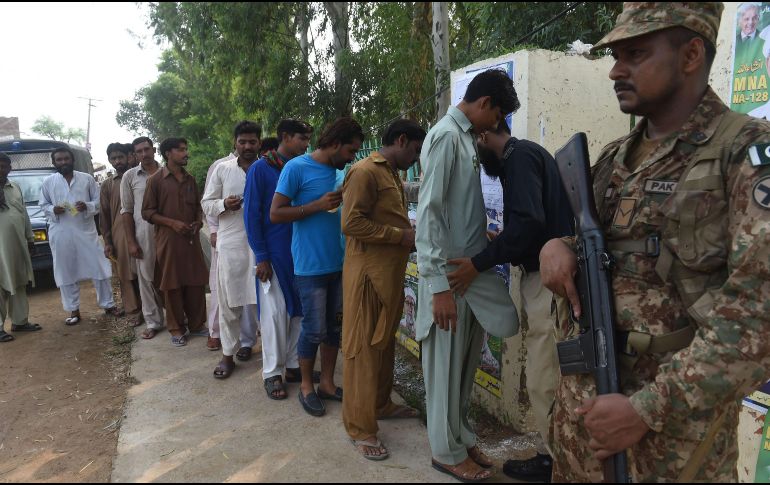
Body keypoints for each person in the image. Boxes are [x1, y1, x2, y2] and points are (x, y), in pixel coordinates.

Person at [539, 3, 770, 482]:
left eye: (636, 54)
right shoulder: (613, 158)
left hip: (670, 446)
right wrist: (556, 246)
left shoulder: (744, 154)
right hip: (581, 432)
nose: (615, 71)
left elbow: (759, 313)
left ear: (690, 55)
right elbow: (601, 244)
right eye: (616, 56)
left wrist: (647, 409)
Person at [445, 118, 574, 481]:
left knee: (542, 380)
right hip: (541, 277)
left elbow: (528, 225)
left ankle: (560, 464)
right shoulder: (525, 156)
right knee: (546, 377)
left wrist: (477, 263)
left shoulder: (518, 158)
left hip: (546, 283)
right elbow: (529, 223)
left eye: (476, 142)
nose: (476, 151)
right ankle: (555, 456)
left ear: (485, 135)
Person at [416, 69, 520, 483]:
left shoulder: (463, 138)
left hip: (468, 274)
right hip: (449, 278)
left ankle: (460, 436)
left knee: (463, 368)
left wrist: (482, 233)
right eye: (496, 116)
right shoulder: (445, 136)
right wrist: (438, 287)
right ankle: (444, 452)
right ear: (484, 104)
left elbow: (456, 209)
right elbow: (430, 215)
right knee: (443, 370)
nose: (495, 125)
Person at [341, 119, 426, 460]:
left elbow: (388, 217)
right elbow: (351, 223)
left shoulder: (392, 172)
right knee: (362, 349)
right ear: (401, 140)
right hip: (367, 276)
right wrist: (400, 236)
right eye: (415, 151)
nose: (415, 158)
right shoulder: (365, 171)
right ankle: (360, 428)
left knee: (383, 343)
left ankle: (380, 403)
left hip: (388, 275)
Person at [270, 117, 363, 417]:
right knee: (313, 329)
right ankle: (307, 386)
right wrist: (316, 206)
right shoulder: (296, 168)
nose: (352, 158)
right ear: (334, 144)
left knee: (334, 327)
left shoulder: (344, 172)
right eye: (350, 151)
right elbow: (276, 213)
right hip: (310, 266)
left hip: (339, 262)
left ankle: (326, 383)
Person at [245, 119, 313, 399]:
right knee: (274, 314)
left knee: (298, 311)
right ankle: (272, 372)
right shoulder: (261, 170)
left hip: (300, 252)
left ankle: (295, 365)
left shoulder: (302, 167)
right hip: (273, 254)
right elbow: (251, 216)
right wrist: (261, 255)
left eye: (308, 139)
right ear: (285, 137)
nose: (307, 144)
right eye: (302, 138)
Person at [202, 121, 261, 378]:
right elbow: (207, 204)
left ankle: (268, 353)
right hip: (232, 243)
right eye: (242, 142)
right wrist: (224, 204)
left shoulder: (267, 168)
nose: (247, 146)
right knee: (229, 302)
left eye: (252, 142)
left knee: (264, 301)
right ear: (234, 143)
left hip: (262, 245)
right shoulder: (222, 169)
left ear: (259, 143)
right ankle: (228, 355)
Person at [40, 147, 123, 324]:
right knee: (65, 272)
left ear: (72, 160)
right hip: (61, 232)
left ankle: (108, 305)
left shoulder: (86, 179)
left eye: (66, 159)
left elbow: (99, 202)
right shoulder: (48, 182)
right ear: (54, 163)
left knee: (99, 267)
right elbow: (43, 205)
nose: (63, 162)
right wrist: (52, 209)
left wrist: (87, 206)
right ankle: (73, 311)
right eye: (59, 160)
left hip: (86, 231)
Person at [142, 138, 208, 347]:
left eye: (186, 149)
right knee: (172, 284)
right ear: (168, 153)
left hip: (191, 239)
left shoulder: (190, 179)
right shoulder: (155, 180)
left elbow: (198, 206)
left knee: (196, 281)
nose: (186, 153)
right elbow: (147, 212)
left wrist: (198, 222)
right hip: (169, 241)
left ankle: (197, 325)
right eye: (181, 150)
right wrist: (172, 223)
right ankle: (177, 328)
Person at [122, 137, 166, 339]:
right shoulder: (130, 177)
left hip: (169, 232)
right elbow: (127, 211)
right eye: (139, 151)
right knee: (147, 279)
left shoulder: (168, 171)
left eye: (147, 149)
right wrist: (131, 241)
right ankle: (153, 322)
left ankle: (178, 318)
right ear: (134, 154)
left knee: (171, 277)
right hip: (144, 235)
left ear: (154, 149)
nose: (144, 154)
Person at [0, 153, 41, 341]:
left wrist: (30, 239)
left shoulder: (14, 187)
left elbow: (24, 214)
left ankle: (20, 321)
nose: (1, 169)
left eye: (4, 165)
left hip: (18, 245)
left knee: (19, 281)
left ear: (9, 167)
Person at [101, 143, 142, 327]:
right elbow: (104, 214)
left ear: (129, 156)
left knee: (148, 271)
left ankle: (155, 309)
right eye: (113, 158)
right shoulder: (108, 184)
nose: (117, 161)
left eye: (120, 157)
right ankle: (133, 311)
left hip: (144, 228)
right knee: (126, 274)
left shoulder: (140, 176)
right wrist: (108, 241)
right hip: (120, 234)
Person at [734, 3, 766, 114]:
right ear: (739, 21)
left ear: (758, 19)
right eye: (746, 19)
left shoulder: (764, 41)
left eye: (754, 18)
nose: (750, 23)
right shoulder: (734, 43)